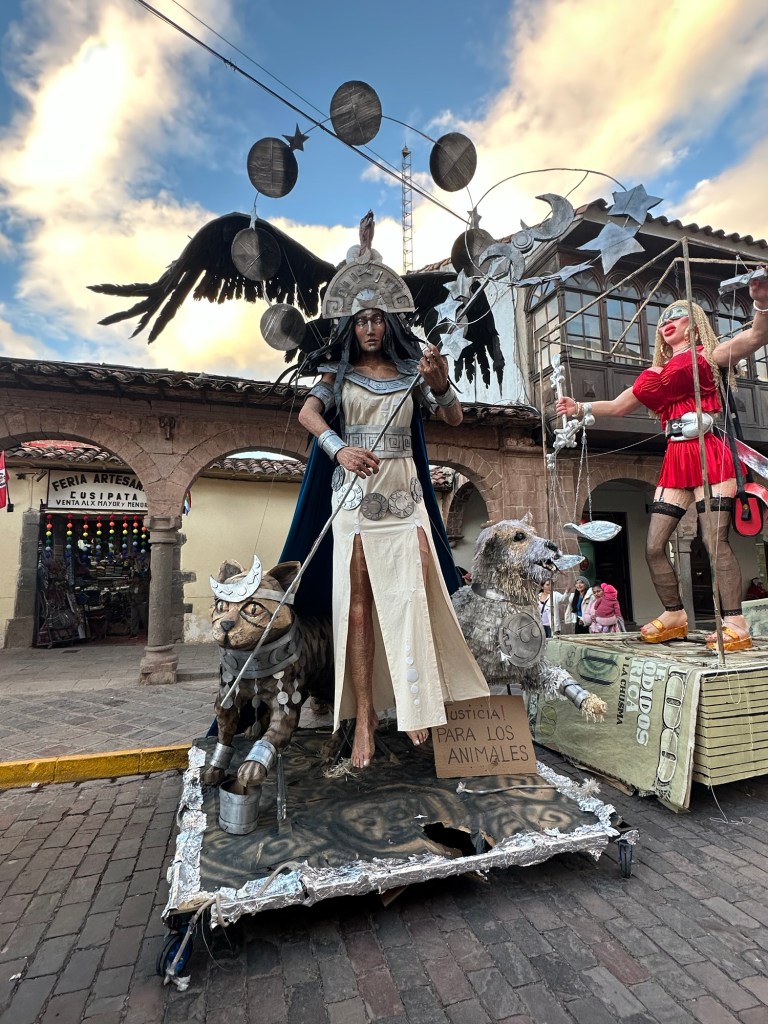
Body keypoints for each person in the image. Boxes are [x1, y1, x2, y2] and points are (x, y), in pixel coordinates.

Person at [289, 225, 489, 769]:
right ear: (350, 325)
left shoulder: (409, 372)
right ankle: (364, 725)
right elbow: (308, 414)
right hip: (354, 499)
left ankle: (417, 705)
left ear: (390, 322)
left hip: (405, 500)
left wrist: (442, 380)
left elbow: (453, 416)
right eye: (362, 320)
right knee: (358, 611)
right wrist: (338, 449)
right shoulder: (336, 372)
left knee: (413, 601)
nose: (372, 327)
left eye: (379, 319)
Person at [556, 272, 768, 653]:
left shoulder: (709, 355)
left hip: (709, 454)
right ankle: (674, 615)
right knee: (654, 546)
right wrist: (579, 407)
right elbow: (619, 407)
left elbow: (756, 337)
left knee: (712, 538)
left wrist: (761, 303)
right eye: (663, 319)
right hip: (675, 457)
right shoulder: (652, 372)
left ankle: (735, 622)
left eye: (678, 315)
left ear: (694, 324)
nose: (668, 322)